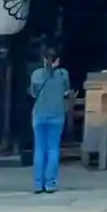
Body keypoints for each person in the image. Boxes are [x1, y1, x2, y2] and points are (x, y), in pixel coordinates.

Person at [29, 44, 72, 194]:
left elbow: (33, 94)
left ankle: (38, 183)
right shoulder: (63, 74)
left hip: (39, 114)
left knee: (39, 149)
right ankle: (50, 183)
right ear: (57, 60)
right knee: (53, 149)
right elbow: (66, 91)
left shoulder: (36, 74)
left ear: (43, 59)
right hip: (57, 114)